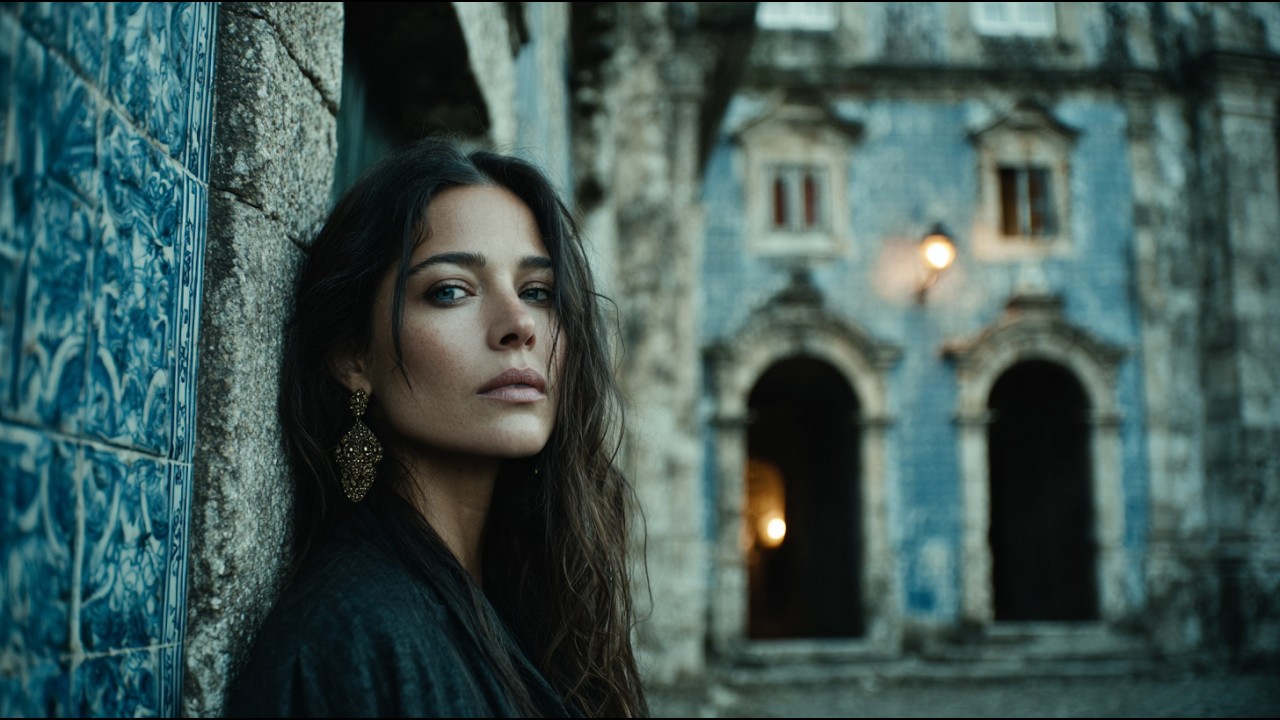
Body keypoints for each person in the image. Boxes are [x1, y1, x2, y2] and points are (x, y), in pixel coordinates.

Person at [225, 137, 650, 718]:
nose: (519, 324)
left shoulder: (525, 602)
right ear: (354, 358)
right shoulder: (348, 640)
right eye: (450, 291)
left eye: (538, 292)